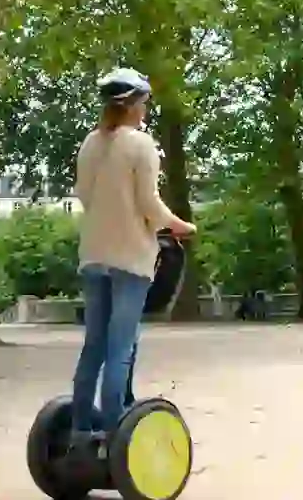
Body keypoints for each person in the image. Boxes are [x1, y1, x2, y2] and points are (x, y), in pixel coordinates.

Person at [70, 68, 196, 450]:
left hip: (94, 255)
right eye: (143, 103)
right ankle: (114, 433)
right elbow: (148, 204)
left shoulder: (90, 143)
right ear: (130, 105)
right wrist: (181, 225)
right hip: (130, 257)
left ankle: (79, 430)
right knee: (121, 346)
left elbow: (85, 195)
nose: (145, 110)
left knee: (94, 345)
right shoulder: (141, 144)